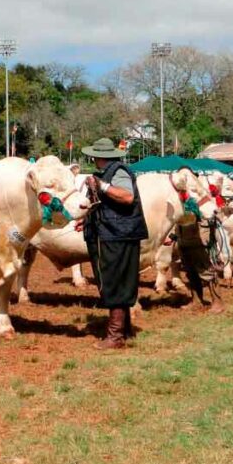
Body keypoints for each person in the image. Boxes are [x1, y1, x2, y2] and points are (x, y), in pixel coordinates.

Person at [75, 137, 148, 349]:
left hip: (119, 235)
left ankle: (116, 336)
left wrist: (103, 186)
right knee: (116, 280)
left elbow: (127, 197)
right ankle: (124, 330)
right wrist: (86, 221)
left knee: (115, 280)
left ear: (98, 156)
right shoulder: (109, 172)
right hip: (113, 233)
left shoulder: (118, 172)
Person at [165, 205, 224, 312]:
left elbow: (209, 211)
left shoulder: (198, 192)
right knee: (190, 271)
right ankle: (197, 300)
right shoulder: (177, 197)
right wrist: (173, 236)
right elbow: (178, 217)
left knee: (206, 270)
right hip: (183, 237)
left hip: (199, 237)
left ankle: (217, 302)